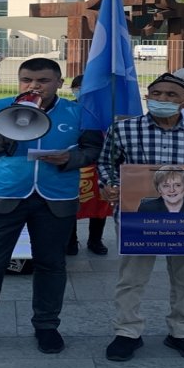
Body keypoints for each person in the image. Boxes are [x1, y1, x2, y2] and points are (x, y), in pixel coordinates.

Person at [0, 58, 103, 356]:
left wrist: (69, 160)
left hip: (55, 198)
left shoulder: (79, 112)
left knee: (52, 264)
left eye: (43, 80)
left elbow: (93, 148)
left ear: (59, 82)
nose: (34, 86)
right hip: (4, 196)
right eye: (26, 80)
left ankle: (46, 326)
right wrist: (1, 136)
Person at [99, 73, 184, 363]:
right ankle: (127, 332)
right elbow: (106, 162)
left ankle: (183, 331)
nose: (162, 100)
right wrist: (108, 184)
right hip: (138, 217)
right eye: (156, 94)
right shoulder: (123, 130)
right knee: (131, 277)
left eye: (171, 95)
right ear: (147, 96)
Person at [65, 74, 110, 257]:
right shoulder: (68, 110)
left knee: (99, 205)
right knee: (72, 205)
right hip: (75, 163)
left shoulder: (106, 112)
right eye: (78, 87)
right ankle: (70, 241)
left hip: (101, 164)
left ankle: (95, 240)